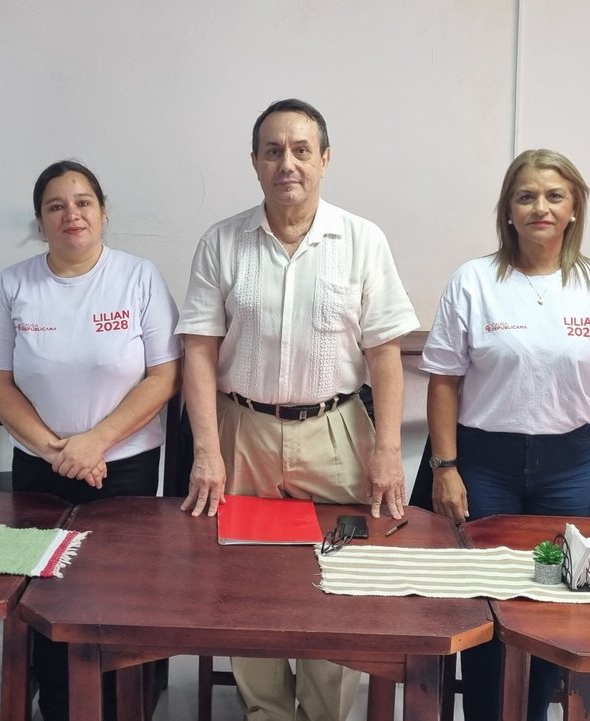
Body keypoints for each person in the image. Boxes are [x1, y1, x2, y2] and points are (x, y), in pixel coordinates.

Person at [177, 98, 417, 721]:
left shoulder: (362, 240)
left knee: (340, 579)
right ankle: (265, 713)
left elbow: (385, 355)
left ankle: (324, 713)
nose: (288, 163)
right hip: (243, 429)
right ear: (255, 162)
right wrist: (206, 451)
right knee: (245, 580)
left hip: (337, 430)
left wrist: (388, 451)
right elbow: (199, 352)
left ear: (325, 160)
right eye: (274, 151)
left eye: (302, 150)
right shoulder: (221, 242)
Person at [420, 148, 590, 721]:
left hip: (572, 466)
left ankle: (536, 711)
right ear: (508, 211)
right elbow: (443, 382)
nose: (541, 207)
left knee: (556, 605)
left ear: (574, 209)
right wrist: (446, 468)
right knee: (486, 604)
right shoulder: (474, 281)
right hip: (484, 465)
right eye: (526, 196)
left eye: (554, 196)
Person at [0, 159, 181, 721]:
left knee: (120, 592)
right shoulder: (14, 284)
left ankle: (122, 703)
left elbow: (164, 375)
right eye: (56, 206)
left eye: (84, 201)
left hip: (126, 466)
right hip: (40, 468)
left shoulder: (139, 277)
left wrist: (94, 442)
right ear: (40, 220)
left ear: (103, 212)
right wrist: (57, 449)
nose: (72, 214)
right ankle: (59, 703)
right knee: (45, 591)